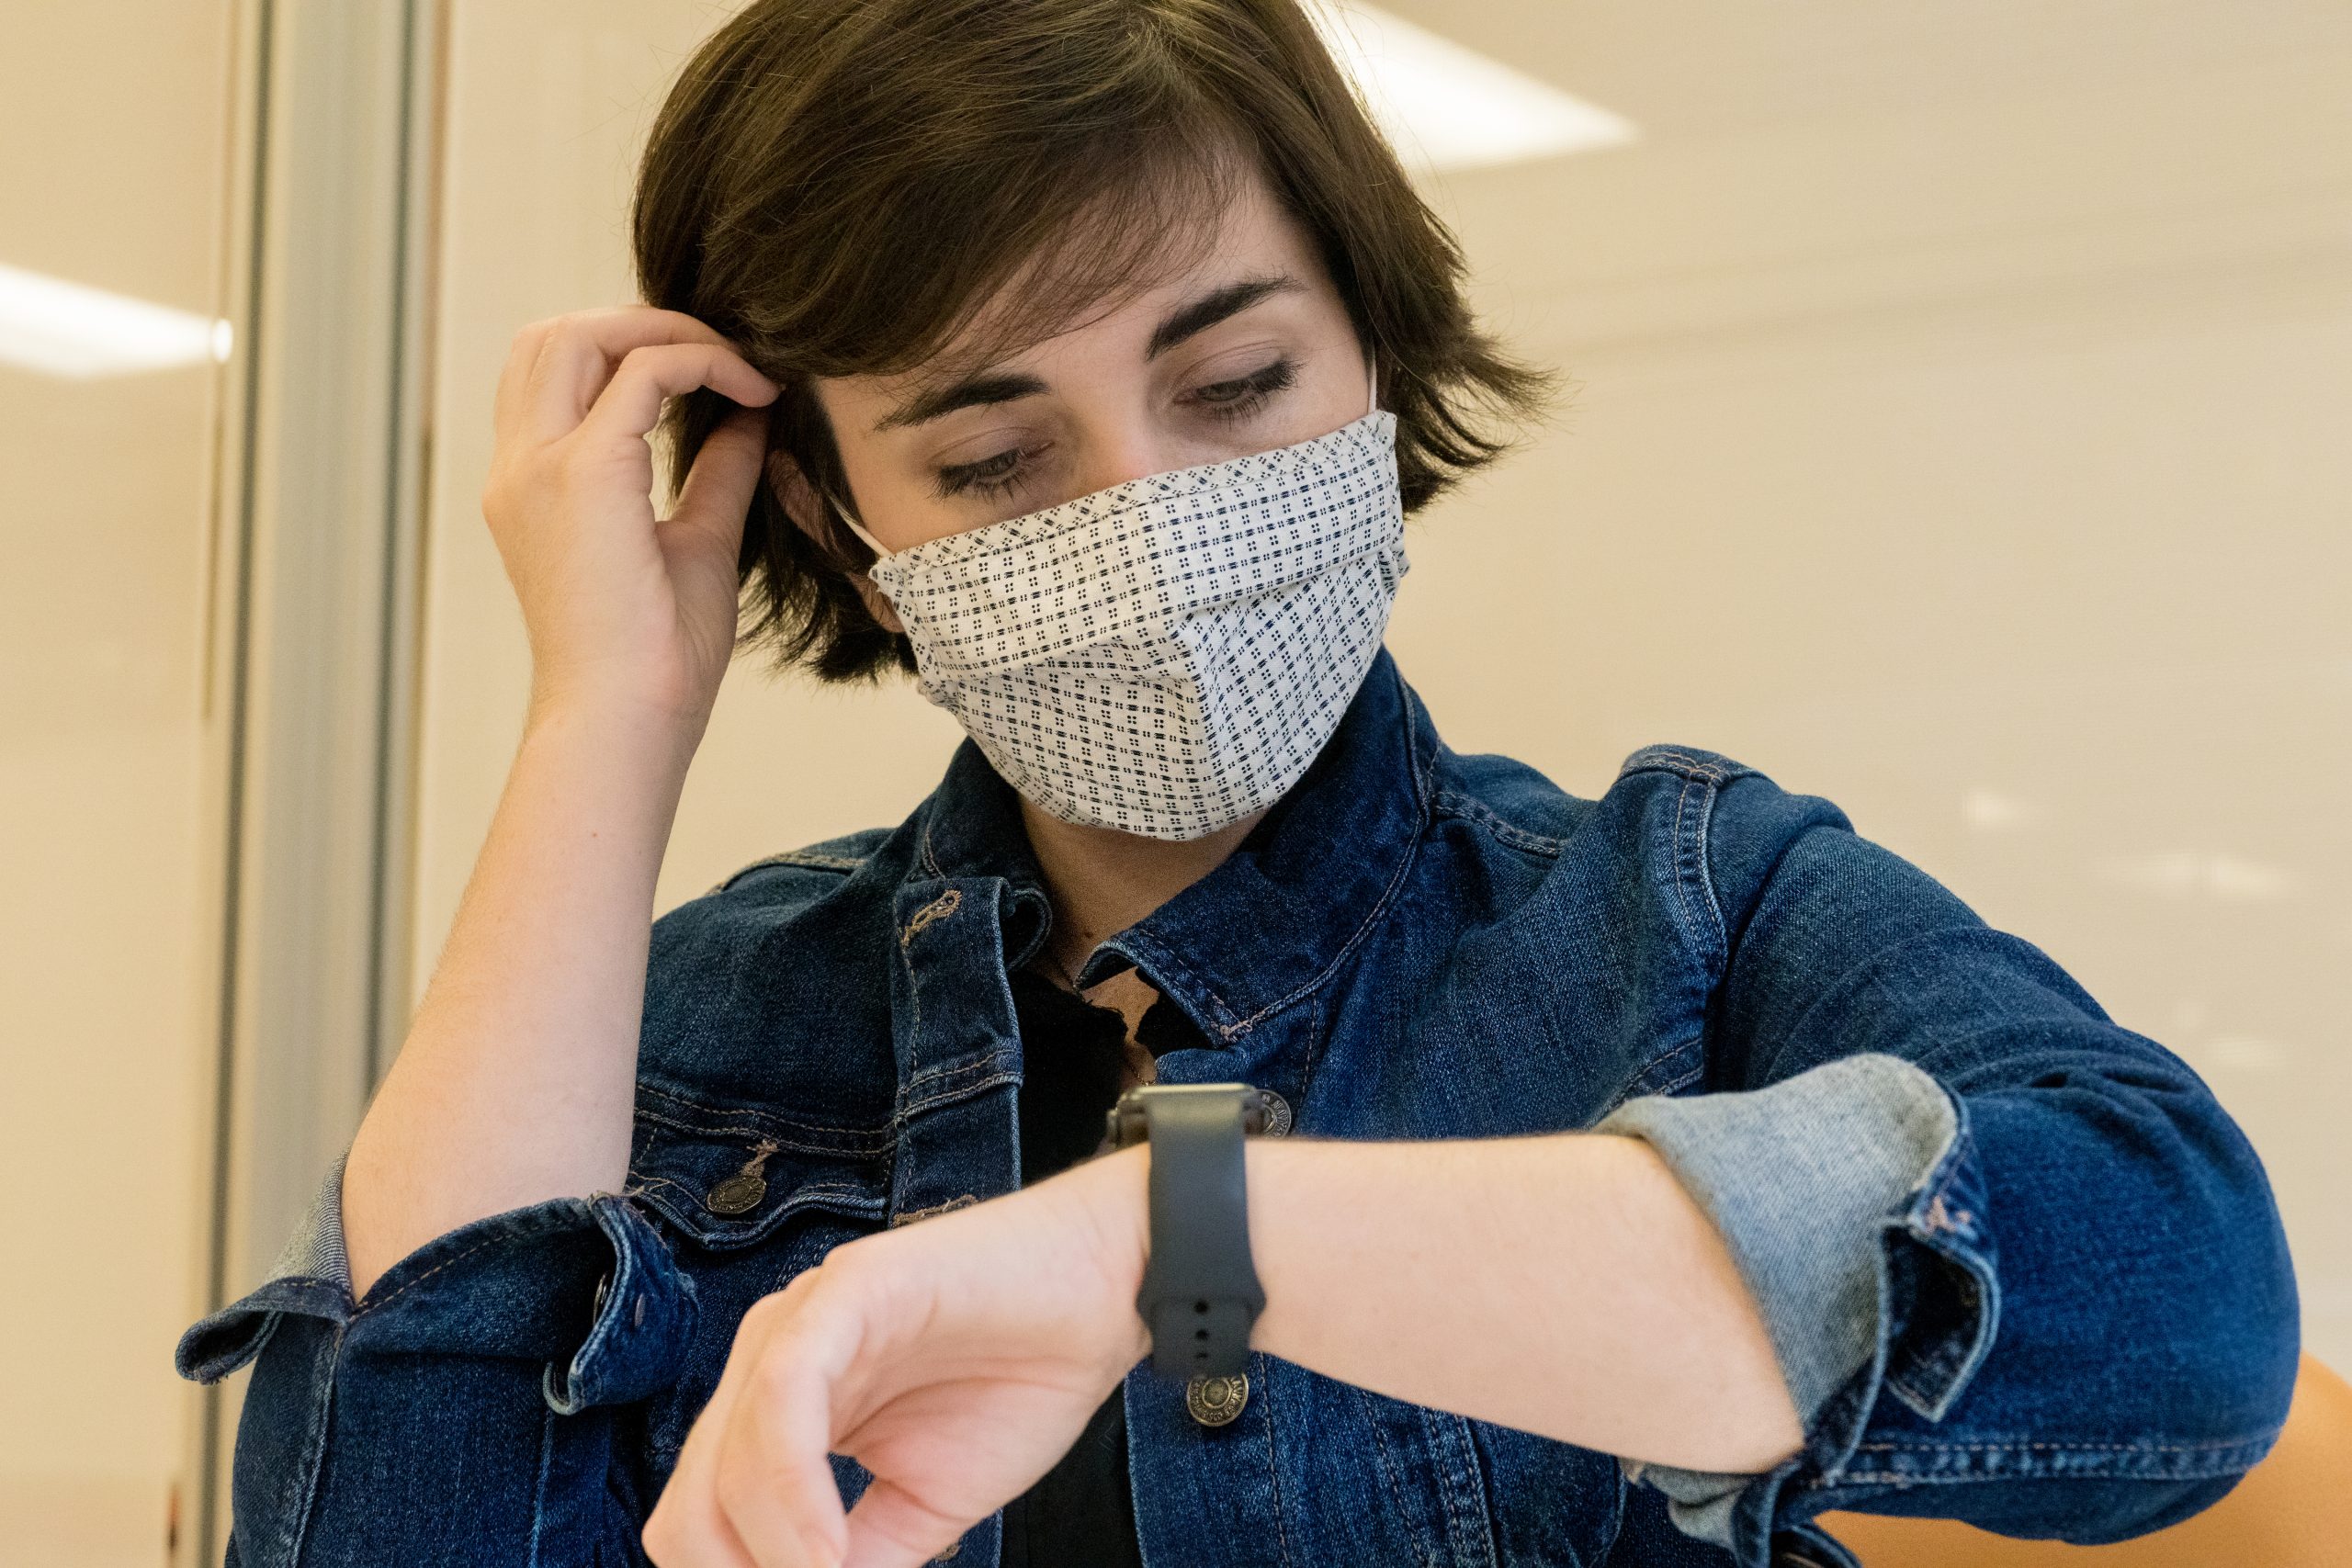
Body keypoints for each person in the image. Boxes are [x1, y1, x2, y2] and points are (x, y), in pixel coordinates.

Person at [177, 2, 2300, 1565]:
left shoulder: (1679, 903)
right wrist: (598, 728)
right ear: (834, 520)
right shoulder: (692, 1029)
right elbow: (386, 1530)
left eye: (1234, 381)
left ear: (1369, 353)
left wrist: (1174, 1240)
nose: (1152, 514)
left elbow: (2177, 1312)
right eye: (995, 459)